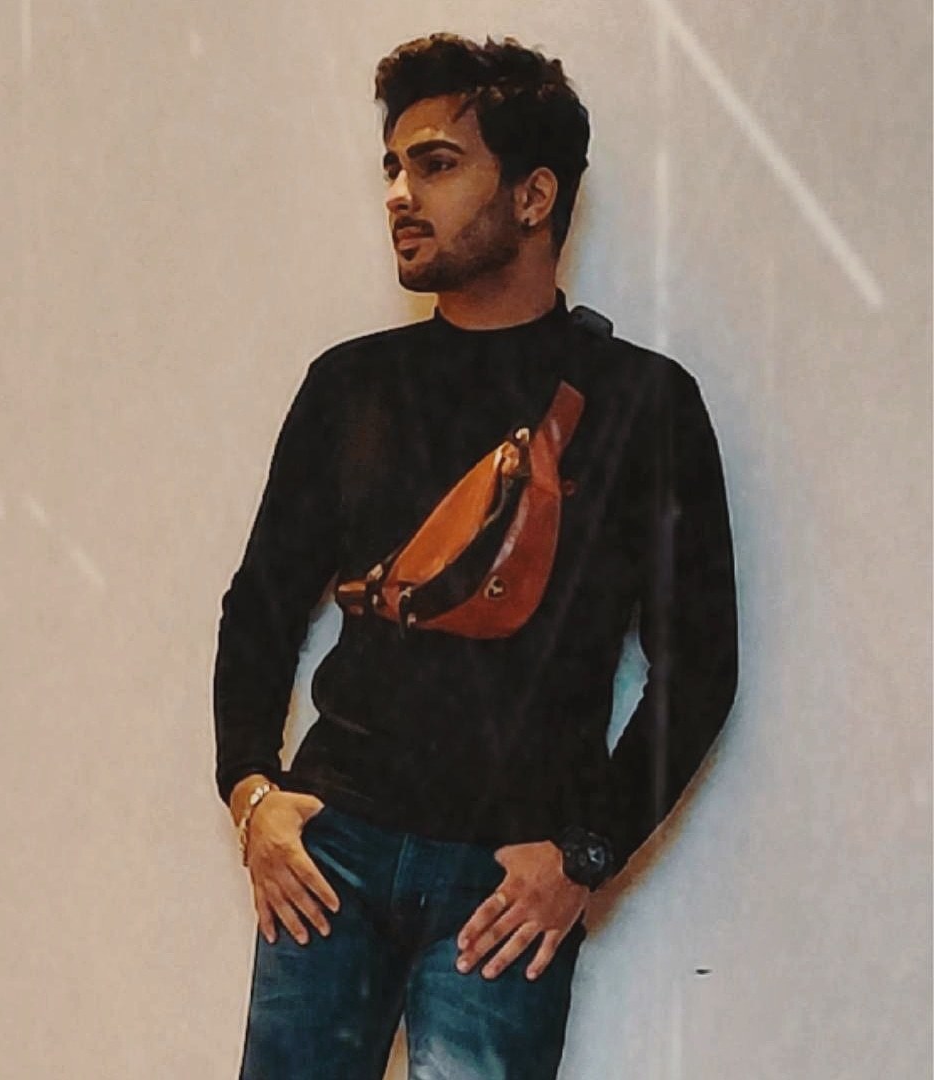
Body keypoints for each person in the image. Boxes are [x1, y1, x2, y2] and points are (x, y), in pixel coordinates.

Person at [212, 32, 738, 1080]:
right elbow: (261, 605)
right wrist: (251, 795)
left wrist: (586, 856)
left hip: (506, 886)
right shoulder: (349, 385)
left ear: (534, 195)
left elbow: (700, 663)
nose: (400, 194)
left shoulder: (643, 404)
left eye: (438, 164)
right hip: (331, 853)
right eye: (393, 167)